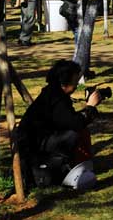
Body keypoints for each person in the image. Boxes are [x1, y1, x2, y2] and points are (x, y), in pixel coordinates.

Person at [18, 59, 103, 187]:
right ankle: (67, 167)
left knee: (78, 131)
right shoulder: (56, 98)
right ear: (64, 82)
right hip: (35, 146)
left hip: (37, 141)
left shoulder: (52, 93)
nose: (76, 85)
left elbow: (69, 119)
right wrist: (90, 107)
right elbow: (75, 124)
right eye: (75, 81)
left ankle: (77, 164)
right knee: (73, 134)